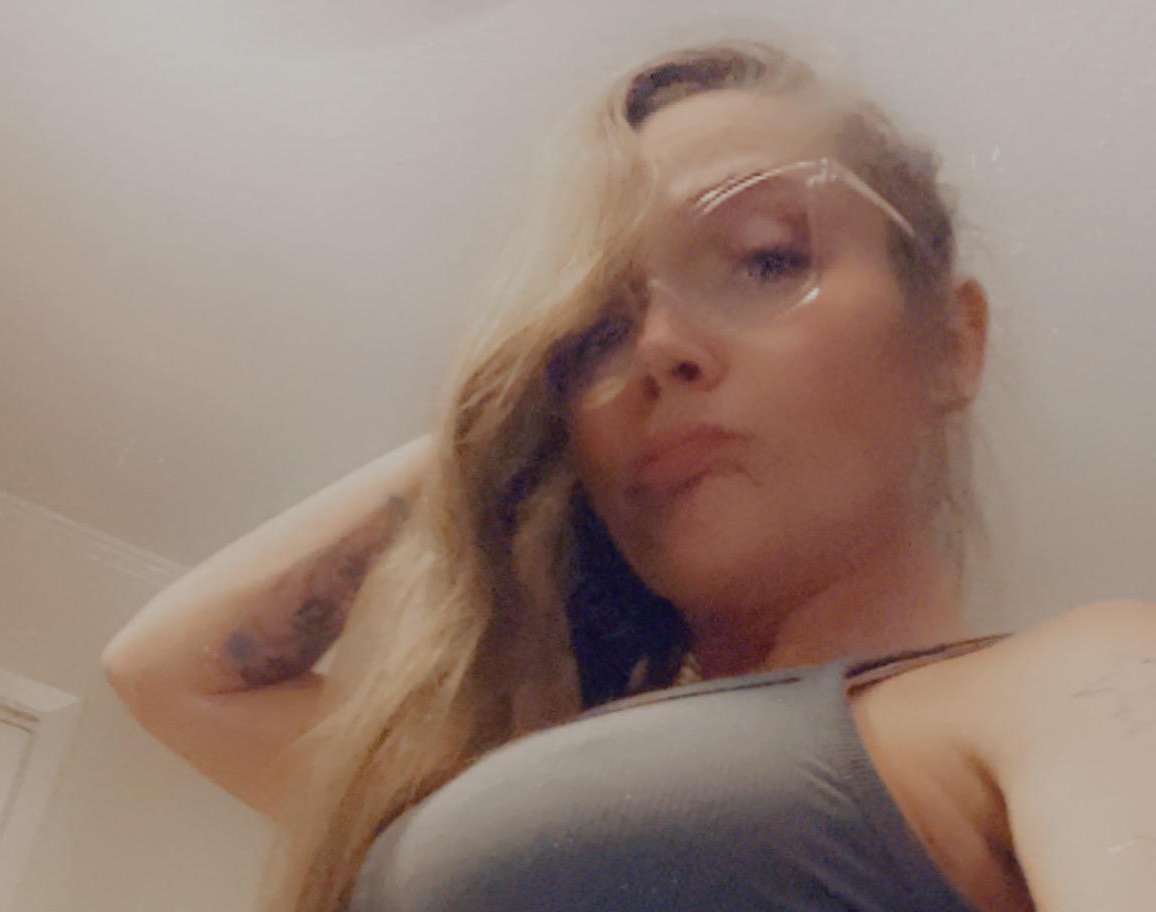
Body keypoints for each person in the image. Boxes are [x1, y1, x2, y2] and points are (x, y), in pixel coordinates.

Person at [102, 37, 1156, 912]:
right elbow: (172, 670)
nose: (658, 346)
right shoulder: (529, 773)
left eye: (767, 258)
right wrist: (499, 425)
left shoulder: (1080, 684)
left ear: (950, 343)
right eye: (596, 327)